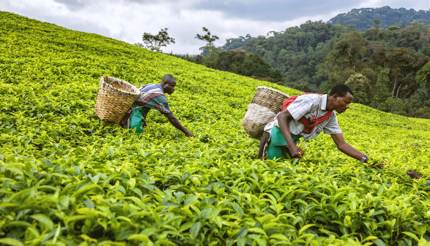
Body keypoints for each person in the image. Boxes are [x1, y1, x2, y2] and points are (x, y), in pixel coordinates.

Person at [258, 84, 368, 163]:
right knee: (271, 167)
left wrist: (364, 158)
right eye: (345, 102)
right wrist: (292, 147)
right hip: (275, 136)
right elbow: (282, 117)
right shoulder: (312, 101)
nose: (347, 106)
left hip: (290, 142)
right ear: (334, 97)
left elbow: (341, 144)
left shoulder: (330, 116)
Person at [121, 74, 193, 137]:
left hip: (125, 110)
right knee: (136, 135)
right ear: (165, 84)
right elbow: (171, 118)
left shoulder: (152, 85)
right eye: (172, 86)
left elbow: (144, 104)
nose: (173, 89)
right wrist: (186, 131)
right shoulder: (159, 96)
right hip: (131, 114)